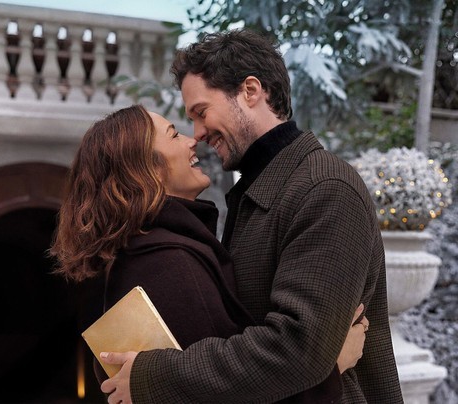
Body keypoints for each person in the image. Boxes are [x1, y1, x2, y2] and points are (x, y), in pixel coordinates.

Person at [100, 29, 403, 403]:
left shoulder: (325, 188)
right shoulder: (259, 191)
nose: (197, 133)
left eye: (201, 112)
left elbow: (298, 347)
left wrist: (155, 376)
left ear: (250, 91)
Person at [50, 105, 369, 403]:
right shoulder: (169, 265)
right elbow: (232, 391)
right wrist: (332, 367)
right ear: (146, 170)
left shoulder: (149, 253)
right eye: (174, 135)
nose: (192, 140)